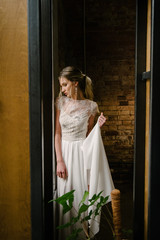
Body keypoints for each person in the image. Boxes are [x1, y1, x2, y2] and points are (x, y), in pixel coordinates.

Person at [55, 66, 114, 239]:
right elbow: (57, 133)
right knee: (65, 199)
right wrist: (59, 160)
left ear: (75, 83)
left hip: (82, 155)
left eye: (64, 85)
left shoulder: (91, 106)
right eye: (61, 86)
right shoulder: (60, 103)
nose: (62, 89)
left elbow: (89, 136)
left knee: (82, 198)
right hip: (64, 154)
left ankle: (84, 236)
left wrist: (98, 127)